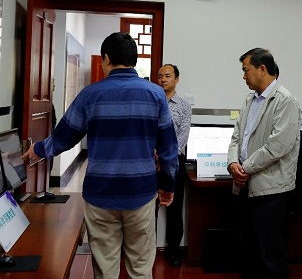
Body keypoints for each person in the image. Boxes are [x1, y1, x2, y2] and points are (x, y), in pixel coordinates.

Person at [22, 32, 179, 279]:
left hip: (100, 194)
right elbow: (169, 147)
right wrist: (167, 185)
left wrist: (39, 149)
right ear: (134, 59)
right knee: (141, 267)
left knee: (105, 269)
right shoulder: (156, 94)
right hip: (141, 192)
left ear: (106, 59)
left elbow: (65, 136)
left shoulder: (90, 94)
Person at [227, 48, 301, 279]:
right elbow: (236, 137)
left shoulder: (285, 100)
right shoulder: (250, 99)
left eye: (246, 70)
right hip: (246, 186)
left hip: (271, 191)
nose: (243, 76)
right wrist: (232, 163)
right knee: (249, 251)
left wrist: (244, 168)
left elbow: (277, 146)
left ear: (262, 69)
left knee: (271, 255)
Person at [157, 63, 192, 267]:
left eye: (168, 76)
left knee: (174, 207)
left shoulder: (184, 106)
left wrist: (165, 157)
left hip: (174, 162)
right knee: (148, 207)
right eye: (160, 76)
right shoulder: (152, 101)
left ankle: (173, 250)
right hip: (150, 161)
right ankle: (145, 249)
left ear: (176, 79)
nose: (163, 79)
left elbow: (183, 137)